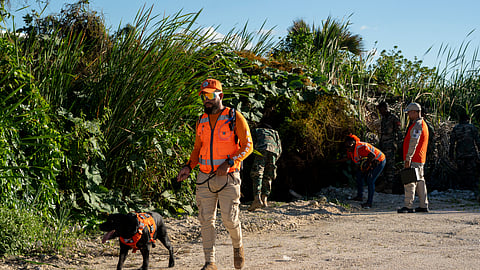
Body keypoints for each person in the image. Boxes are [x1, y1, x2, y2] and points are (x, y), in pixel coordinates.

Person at [176, 78, 253, 270]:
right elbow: (197, 148)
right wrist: (188, 167)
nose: (207, 100)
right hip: (204, 178)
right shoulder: (201, 120)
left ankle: (238, 247)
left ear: (221, 95)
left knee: (229, 219)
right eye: (204, 96)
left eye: (211, 95)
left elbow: (248, 146)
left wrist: (229, 163)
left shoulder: (234, 117)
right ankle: (210, 262)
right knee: (205, 220)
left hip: (228, 177)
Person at [398, 102, 429, 213]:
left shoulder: (417, 125)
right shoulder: (422, 124)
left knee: (409, 181)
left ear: (415, 112)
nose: (408, 115)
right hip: (420, 158)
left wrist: (408, 158)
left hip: (414, 158)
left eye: (409, 113)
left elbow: (413, 142)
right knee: (420, 181)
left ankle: (408, 206)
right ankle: (423, 205)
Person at [248, 118, 282, 211]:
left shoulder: (257, 130)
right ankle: (265, 199)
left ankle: (257, 199)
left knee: (257, 174)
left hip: (261, 150)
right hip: (274, 152)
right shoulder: (275, 133)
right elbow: (279, 148)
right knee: (269, 175)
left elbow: (250, 144)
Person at [344, 134, 386, 208]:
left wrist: (367, 165)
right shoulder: (351, 150)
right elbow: (348, 158)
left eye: (349, 146)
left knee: (370, 180)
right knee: (359, 175)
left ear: (354, 143)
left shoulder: (361, 147)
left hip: (379, 161)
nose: (348, 148)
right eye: (346, 147)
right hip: (370, 162)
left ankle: (369, 203)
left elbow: (372, 155)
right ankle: (359, 196)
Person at [448, 110, 480, 191]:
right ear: (467, 119)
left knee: (461, 171)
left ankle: (462, 187)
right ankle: (471, 187)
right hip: (471, 153)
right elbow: (478, 141)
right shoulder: (472, 127)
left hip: (460, 154)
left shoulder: (456, 128)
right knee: (471, 171)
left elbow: (452, 143)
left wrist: (451, 155)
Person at [376, 101, 403, 193]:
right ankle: (384, 185)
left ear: (385, 108)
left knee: (390, 167)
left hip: (391, 146)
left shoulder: (394, 118)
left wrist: (400, 146)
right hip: (383, 145)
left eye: (381, 109)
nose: (380, 112)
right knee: (383, 165)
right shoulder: (384, 119)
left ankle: (390, 188)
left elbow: (399, 133)